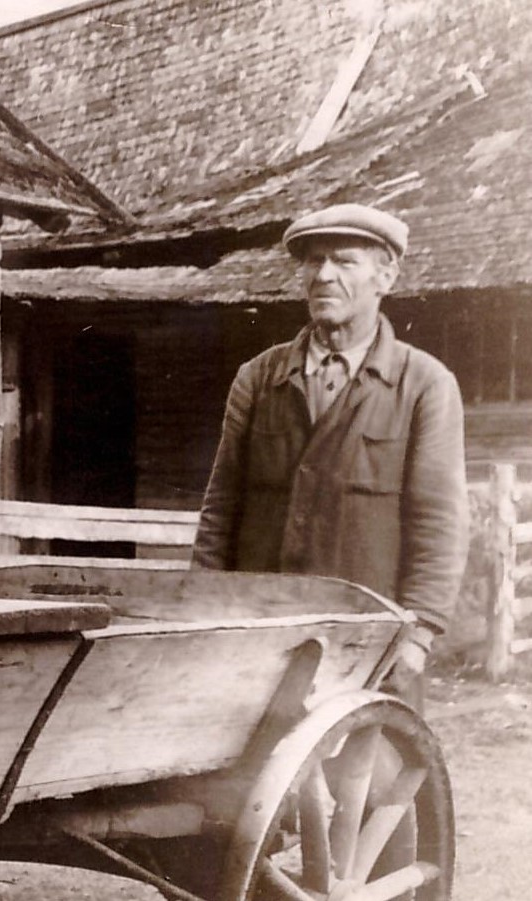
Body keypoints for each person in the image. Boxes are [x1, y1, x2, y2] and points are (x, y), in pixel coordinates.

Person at [192, 203, 469, 708]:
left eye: (344, 261)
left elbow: (440, 523)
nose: (323, 275)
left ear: (385, 276)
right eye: (313, 261)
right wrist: (201, 610)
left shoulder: (425, 385)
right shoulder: (258, 379)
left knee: (365, 761)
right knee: (255, 759)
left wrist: (418, 635)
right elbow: (221, 510)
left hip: (370, 644)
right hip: (260, 638)